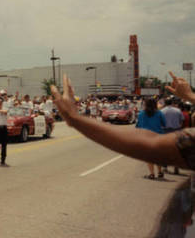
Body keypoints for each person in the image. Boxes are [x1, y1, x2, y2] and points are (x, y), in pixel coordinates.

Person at [50, 72, 194, 171]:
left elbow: (153, 146)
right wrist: (190, 96)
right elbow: (165, 127)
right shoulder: (157, 113)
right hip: (162, 134)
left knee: (154, 155)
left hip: (156, 138)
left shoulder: (144, 112)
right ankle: (160, 171)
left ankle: (154, 172)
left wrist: (74, 118)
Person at [136, 98, 166, 179]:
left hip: (146, 137)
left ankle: (152, 174)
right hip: (158, 136)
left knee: (149, 157)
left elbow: (138, 126)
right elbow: (164, 123)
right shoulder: (159, 113)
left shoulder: (141, 114)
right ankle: (160, 172)